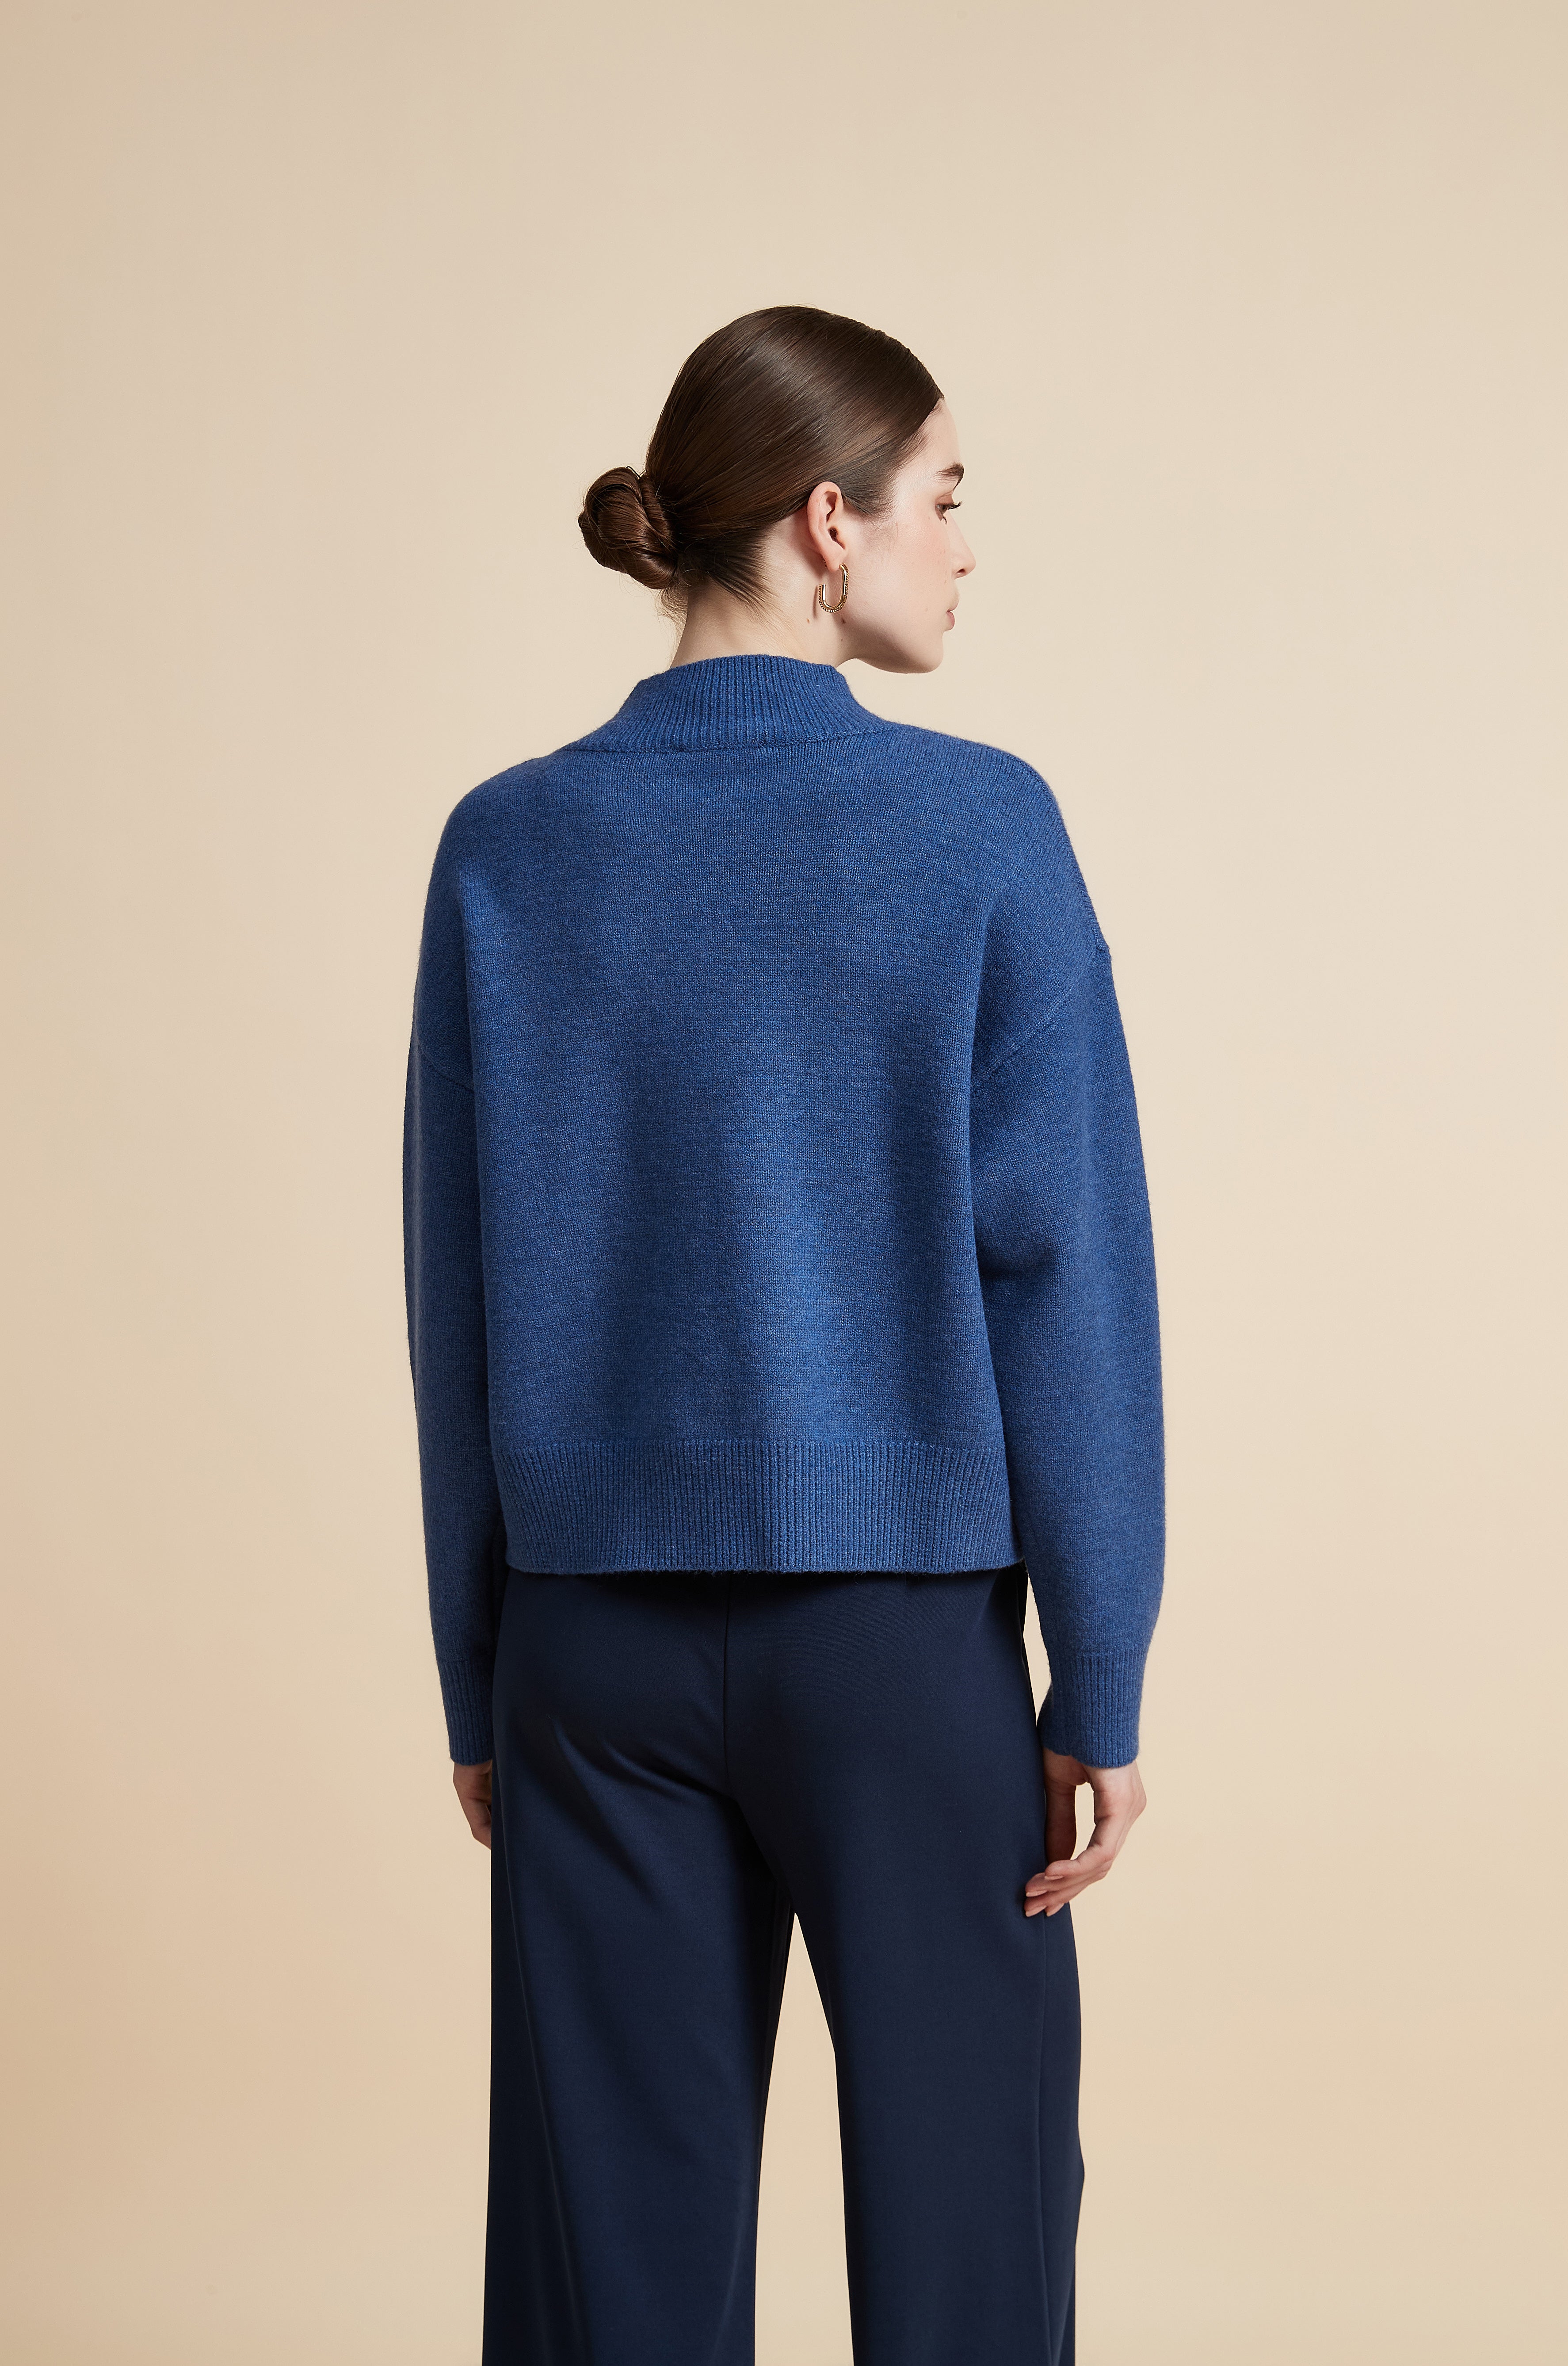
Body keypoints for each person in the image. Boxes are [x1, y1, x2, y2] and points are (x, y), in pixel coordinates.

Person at [402, 304, 1164, 2366]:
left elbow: (455, 1298)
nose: (964, 545)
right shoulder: (981, 827)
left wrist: (480, 1671)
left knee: (610, 2288)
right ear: (828, 524)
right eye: (943, 497)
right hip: (900, 1653)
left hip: (587, 1653)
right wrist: (1095, 1671)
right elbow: (1064, 1269)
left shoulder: (506, 844)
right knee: (969, 2253)